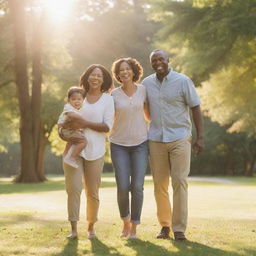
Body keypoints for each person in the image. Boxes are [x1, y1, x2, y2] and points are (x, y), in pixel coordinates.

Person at [142, 49, 204, 241]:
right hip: (156, 140)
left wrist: (200, 137)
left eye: (161, 58)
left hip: (180, 138)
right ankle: (165, 226)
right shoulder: (146, 83)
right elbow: (144, 108)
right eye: (154, 59)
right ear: (151, 63)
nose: (158, 62)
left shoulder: (183, 81)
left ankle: (179, 229)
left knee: (179, 182)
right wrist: (152, 122)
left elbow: (195, 108)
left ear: (168, 60)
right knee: (159, 185)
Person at [59, 64, 114, 239]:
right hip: (73, 150)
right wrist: (62, 133)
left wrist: (84, 123)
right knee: (73, 190)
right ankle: (74, 229)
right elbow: (64, 122)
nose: (95, 78)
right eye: (92, 74)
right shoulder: (77, 95)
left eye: (99, 75)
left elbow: (107, 127)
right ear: (87, 77)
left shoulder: (107, 99)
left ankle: (91, 227)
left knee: (93, 192)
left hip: (96, 151)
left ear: (104, 79)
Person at [110, 57, 149, 239]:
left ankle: (134, 227)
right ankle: (125, 222)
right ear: (117, 75)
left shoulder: (143, 90)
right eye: (121, 70)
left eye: (127, 69)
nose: (124, 72)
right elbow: (107, 118)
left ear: (134, 71)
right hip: (119, 144)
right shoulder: (114, 95)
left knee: (138, 186)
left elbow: (149, 114)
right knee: (123, 186)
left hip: (140, 143)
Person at [58, 86, 87, 169]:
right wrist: (85, 122)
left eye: (79, 99)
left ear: (83, 100)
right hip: (64, 130)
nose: (76, 101)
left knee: (73, 141)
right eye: (73, 99)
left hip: (67, 130)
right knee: (83, 142)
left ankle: (66, 155)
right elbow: (72, 116)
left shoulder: (79, 109)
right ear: (68, 100)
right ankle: (71, 158)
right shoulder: (68, 107)